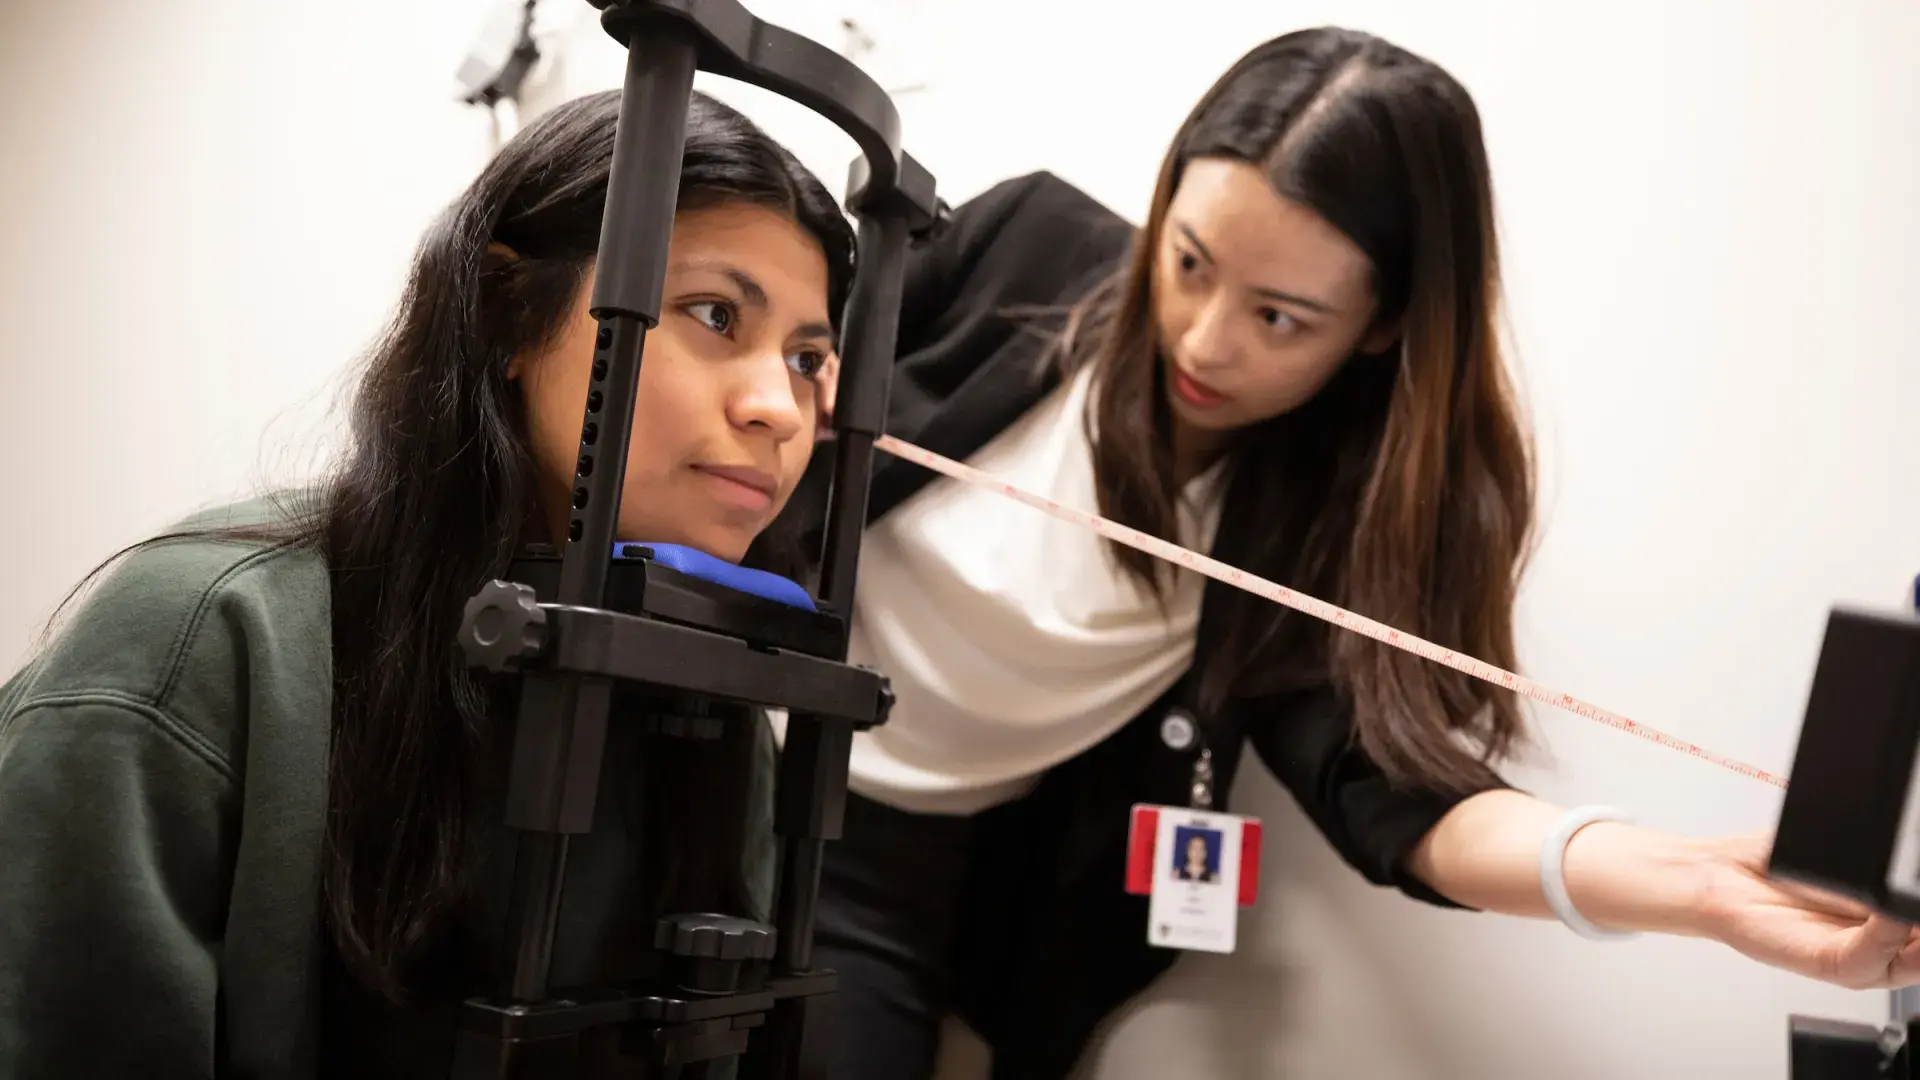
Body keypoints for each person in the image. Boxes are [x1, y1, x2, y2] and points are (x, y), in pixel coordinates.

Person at [782, 26, 1920, 1079]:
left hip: (887, 871)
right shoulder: (1022, 244)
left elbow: (1408, 803)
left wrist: (1697, 887)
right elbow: (754, 375)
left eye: (1281, 316)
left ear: (1381, 326)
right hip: (699, 717)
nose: (1205, 338)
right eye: (1189, 260)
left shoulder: (1317, 532)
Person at [0, 89, 854, 1079]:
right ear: (506, 312)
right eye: (714, 314)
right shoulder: (201, 646)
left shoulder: (704, 702)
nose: (778, 409)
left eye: (806, 359)